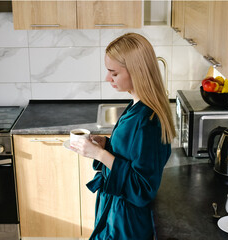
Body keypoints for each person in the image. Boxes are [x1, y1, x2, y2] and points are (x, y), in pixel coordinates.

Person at [70, 32, 176, 240]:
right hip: (115, 212)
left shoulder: (149, 121)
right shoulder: (136, 105)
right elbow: (131, 154)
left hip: (126, 223)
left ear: (136, 72)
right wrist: (106, 145)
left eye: (114, 73)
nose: (107, 78)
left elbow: (143, 188)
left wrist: (100, 155)